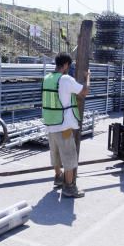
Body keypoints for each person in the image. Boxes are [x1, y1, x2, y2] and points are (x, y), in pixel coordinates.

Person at [42, 53, 90, 198]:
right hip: (63, 125)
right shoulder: (66, 79)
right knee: (69, 156)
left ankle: (58, 177)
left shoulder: (47, 78)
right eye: (69, 66)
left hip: (50, 122)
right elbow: (84, 92)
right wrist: (88, 77)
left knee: (55, 153)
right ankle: (69, 187)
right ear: (66, 65)